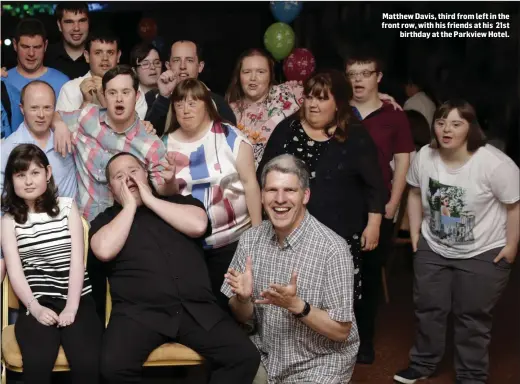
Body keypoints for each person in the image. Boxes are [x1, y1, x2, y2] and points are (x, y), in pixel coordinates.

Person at [88, 152, 260, 383]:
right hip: (138, 314)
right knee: (112, 368)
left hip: (195, 309)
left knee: (245, 357)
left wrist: (150, 200)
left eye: (133, 171)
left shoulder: (179, 202)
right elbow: (103, 250)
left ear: (146, 174)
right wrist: (130, 206)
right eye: (119, 176)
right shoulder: (105, 220)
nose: (128, 179)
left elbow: (198, 225)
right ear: (111, 188)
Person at [394, 99, 520, 384]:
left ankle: (471, 375)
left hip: (483, 251)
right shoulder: (425, 156)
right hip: (434, 248)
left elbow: (515, 206)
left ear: (470, 128)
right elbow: (413, 192)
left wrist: (511, 246)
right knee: (428, 309)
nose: (446, 130)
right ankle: (423, 364)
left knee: (471, 316)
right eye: (440, 123)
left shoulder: (495, 164)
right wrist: (415, 233)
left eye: (455, 123)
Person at [222, 154, 360, 383]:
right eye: (271, 190)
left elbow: (341, 331)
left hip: (318, 364)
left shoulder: (333, 249)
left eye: (290, 191)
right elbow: (242, 316)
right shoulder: (250, 240)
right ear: (262, 195)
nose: (280, 199)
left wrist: (296, 306)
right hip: (267, 356)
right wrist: (243, 299)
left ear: (305, 195)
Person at [257, 70, 387, 304]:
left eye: (322, 98)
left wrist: (374, 223)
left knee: (335, 305)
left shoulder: (354, 134)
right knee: (292, 301)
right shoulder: (286, 130)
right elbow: (263, 176)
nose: (313, 105)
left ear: (337, 103)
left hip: (340, 235)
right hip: (291, 236)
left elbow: (374, 184)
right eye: (309, 97)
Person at [1, 144, 102, 384]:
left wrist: (72, 307)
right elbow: (15, 272)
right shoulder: (9, 220)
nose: (28, 181)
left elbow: (78, 262)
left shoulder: (67, 207)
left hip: (77, 299)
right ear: (11, 180)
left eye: (34, 173)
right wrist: (35, 308)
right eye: (20, 175)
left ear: (47, 173)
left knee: (86, 363)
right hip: (36, 301)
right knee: (37, 362)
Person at [162, 78, 262, 311]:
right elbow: (167, 197)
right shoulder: (164, 144)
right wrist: (168, 181)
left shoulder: (230, 137)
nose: (185, 110)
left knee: (234, 306)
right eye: (179, 104)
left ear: (206, 105)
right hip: (188, 246)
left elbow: (250, 184)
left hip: (233, 241)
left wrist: (257, 237)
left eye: (192, 103)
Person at [345, 48, 416, 364]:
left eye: (365, 73)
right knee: (337, 275)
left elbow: (403, 161)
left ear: (378, 78)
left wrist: (393, 203)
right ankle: (335, 337)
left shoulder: (394, 115)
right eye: (353, 74)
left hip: (378, 208)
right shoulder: (337, 110)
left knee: (370, 279)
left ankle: (364, 342)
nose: (358, 80)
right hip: (340, 206)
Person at [53, 65, 177, 222]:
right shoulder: (87, 116)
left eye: (126, 92)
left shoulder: (151, 143)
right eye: (112, 93)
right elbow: (54, 116)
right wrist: (59, 125)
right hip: (81, 224)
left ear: (137, 96)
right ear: (104, 95)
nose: (119, 99)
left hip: (123, 227)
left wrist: (171, 181)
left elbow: (164, 190)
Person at [225, 48, 304, 165]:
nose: (253, 78)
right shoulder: (229, 111)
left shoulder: (288, 95)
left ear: (270, 75)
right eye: (246, 72)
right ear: (239, 75)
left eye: (261, 72)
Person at [1, 81, 77, 199]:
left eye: (47, 108)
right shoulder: (7, 149)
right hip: (25, 216)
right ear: (22, 109)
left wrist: (59, 123)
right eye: (34, 108)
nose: (41, 115)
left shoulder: (68, 137)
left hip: (69, 215)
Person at [145, 39, 236, 136]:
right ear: (168, 65)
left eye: (189, 60)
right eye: (176, 60)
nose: (183, 66)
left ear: (200, 67)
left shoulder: (217, 102)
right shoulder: (154, 98)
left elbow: (231, 139)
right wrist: (164, 97)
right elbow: (146, 136)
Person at [56, 31, 148, 120]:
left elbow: (135, 130)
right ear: (87, 56)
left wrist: (103, 98)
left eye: (110, 53)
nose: (105, 58)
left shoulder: (132, 88)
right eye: (98, 53)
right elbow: (64, 131)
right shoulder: (70, 89)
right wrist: (86, 103)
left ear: (118, 56)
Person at [4, 18, 69, 95]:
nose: (31, 53)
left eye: (37, 47)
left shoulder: (62, 83)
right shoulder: (3, 81)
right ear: (15, 45)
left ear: (45, 46)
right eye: (25, 47)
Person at [45, 2, 90, 80]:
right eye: (69, 22)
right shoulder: (46, 56)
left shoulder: (100, 56)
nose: (76, 28)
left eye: (82, 21)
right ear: (59, 25)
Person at [129, 42, 161, 109]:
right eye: (145, 64)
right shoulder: (129, 97)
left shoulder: (169, 94)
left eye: (157, 63)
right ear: (134, 70)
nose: (153, 67)